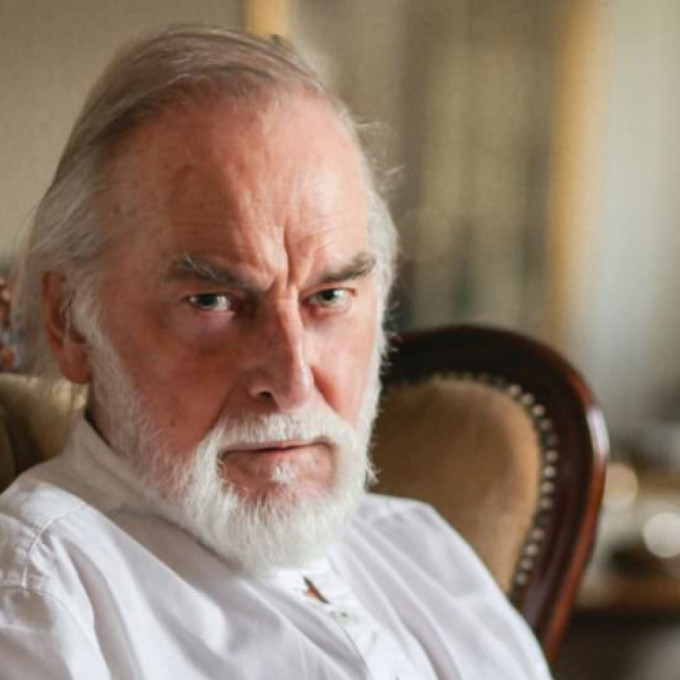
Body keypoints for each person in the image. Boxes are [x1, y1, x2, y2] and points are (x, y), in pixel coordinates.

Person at [0, 26, 552, 679]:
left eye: (329, 296)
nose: (292, 382)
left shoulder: (424, 550)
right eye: (212, 301)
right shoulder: (43, 592)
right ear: (70, 321)